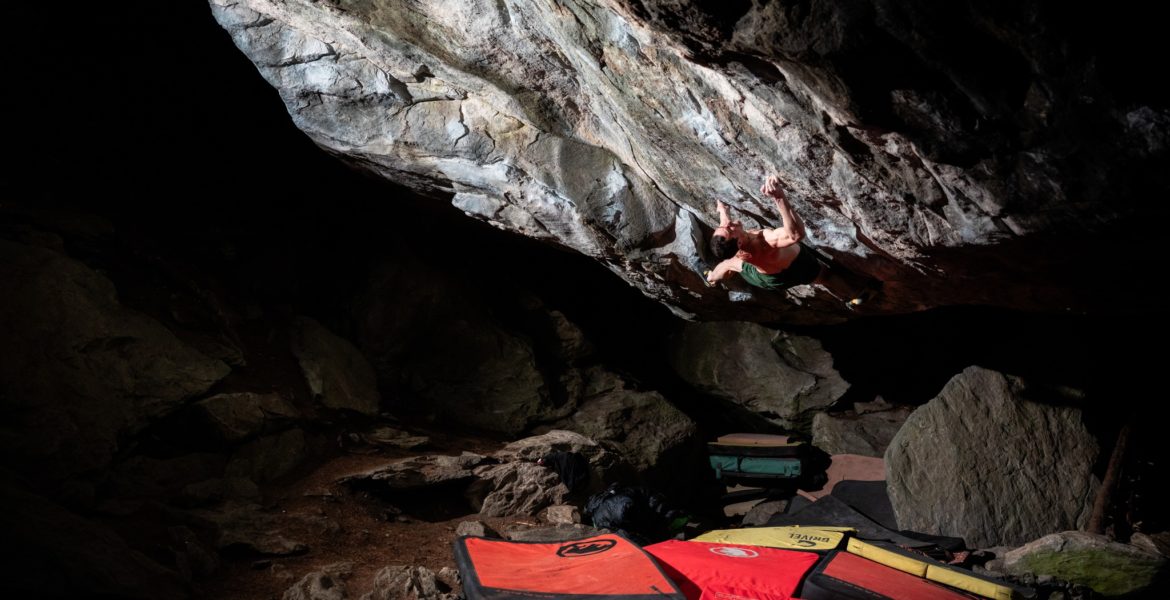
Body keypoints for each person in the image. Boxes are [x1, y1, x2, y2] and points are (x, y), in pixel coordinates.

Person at [706, 175, 879, 308]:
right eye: (728, 229)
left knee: (729, 263)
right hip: (779, 271)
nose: (728, 224)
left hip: (782, 268)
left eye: (724, 226)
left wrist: (722, 210)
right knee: (729, 264)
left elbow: (724, 228)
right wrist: (779, 197)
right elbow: (795, 235)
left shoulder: (732, 239)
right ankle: (712, 278)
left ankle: (711, 278)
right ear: (738, 244)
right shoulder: (764, 243)